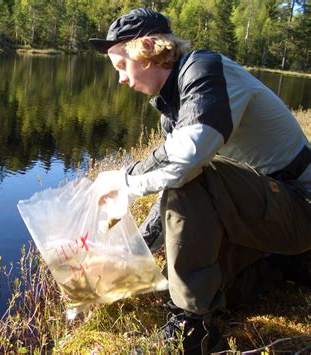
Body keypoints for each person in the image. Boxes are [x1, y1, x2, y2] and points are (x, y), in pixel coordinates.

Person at [89, 7, 311, 355]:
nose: (120, 79)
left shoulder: (205, 70)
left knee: (196, 178)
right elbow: (167, 184)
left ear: (146, 49)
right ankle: (282, 264)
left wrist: (125, 182)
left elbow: (186, 164)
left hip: (300, 206)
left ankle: (191, 332)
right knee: (189, 283)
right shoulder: (175, 104)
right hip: (268, 210)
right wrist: (133, 252)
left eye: (121, 66)